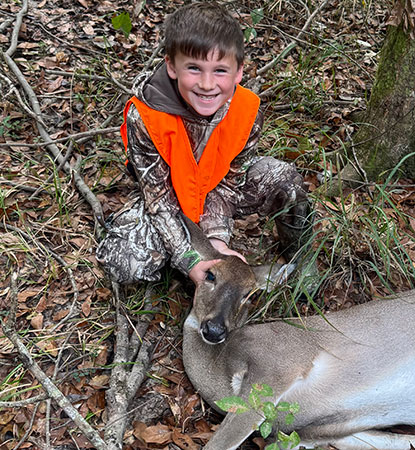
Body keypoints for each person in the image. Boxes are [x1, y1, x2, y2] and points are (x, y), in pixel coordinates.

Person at [96, 2, 311, 287]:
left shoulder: (247, 111)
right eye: (194, 68)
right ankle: (179, 266)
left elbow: (230, 184)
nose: (207, 84)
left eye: (220, 70)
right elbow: (158, 200)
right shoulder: (146, 116)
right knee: (125, 263)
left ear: (239, 72)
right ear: (171, 66)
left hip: (217, 194)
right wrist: (190, 259)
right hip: (171, 200)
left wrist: (216, 240)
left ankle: (301, 263)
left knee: (285, 179)